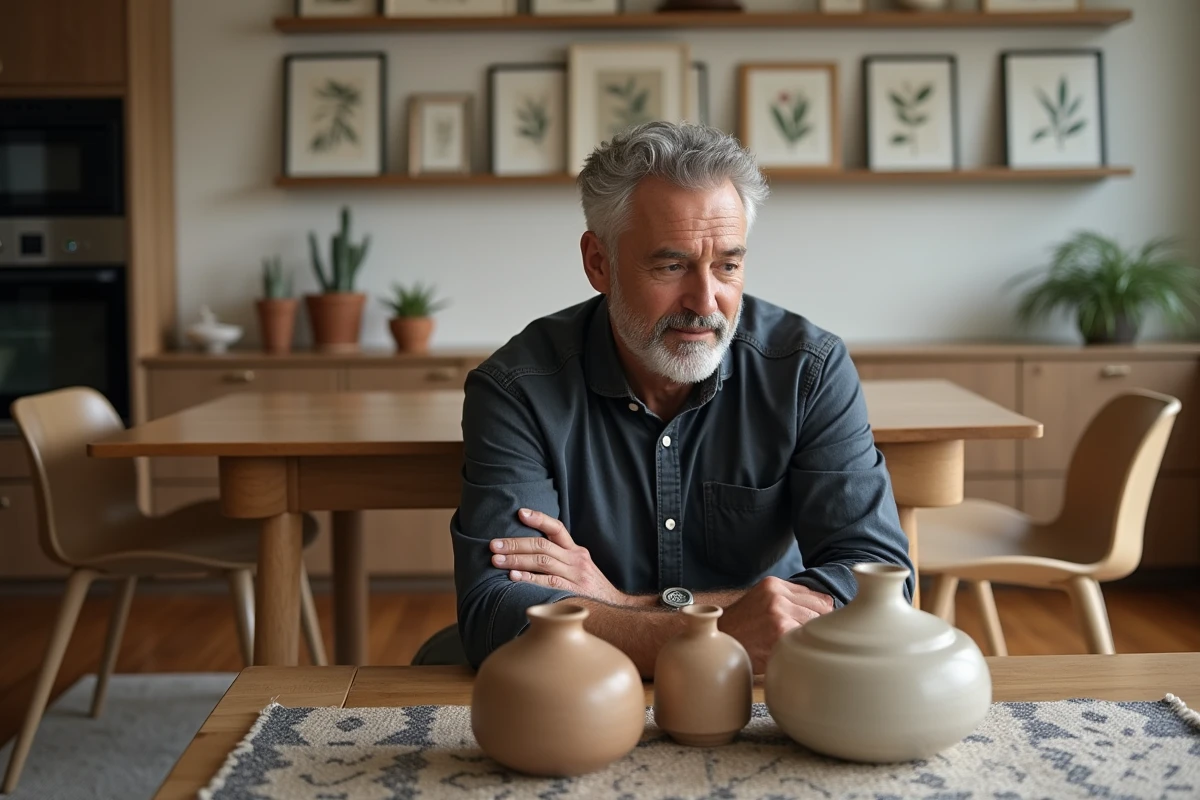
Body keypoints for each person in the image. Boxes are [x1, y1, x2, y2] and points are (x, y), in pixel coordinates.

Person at [450, 121, 913, 676]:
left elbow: (879, 584)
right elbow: (494, 613)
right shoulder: (518, 389)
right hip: (584, 698)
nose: (705, 300)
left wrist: (618, 607)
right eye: (671, 266)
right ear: (599, 262)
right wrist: (726, 626)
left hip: (769, 690)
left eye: (728, 265)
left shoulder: (807, 371)